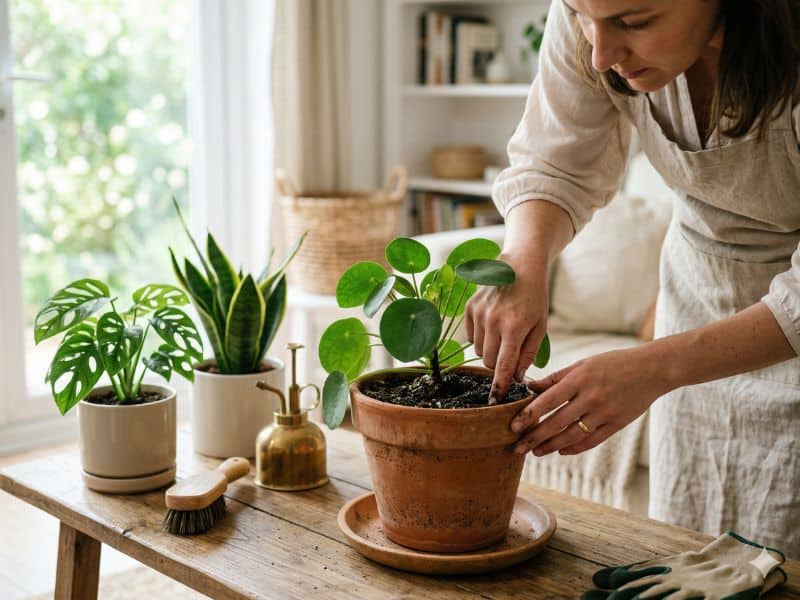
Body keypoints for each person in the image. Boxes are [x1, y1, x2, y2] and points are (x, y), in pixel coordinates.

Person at [464, 0, 800, 556]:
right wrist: (525, 258)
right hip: (696, 292)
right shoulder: (597, 12)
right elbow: (557, 160)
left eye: (636, 22)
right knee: (689, 549)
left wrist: (659, 366)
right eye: (579, 17)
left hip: (770, 328)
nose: (600, 55)